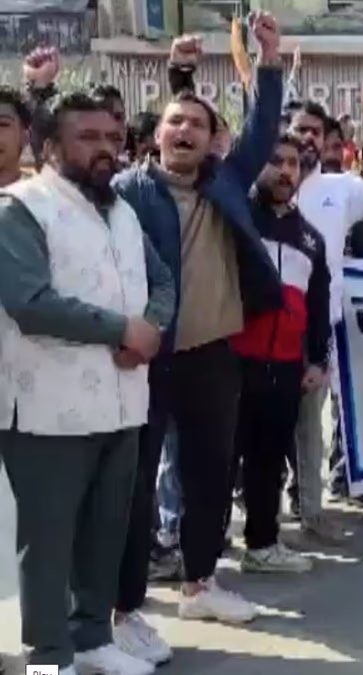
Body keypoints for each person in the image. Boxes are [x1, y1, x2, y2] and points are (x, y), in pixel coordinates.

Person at [113, 16, 285, 636]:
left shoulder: (228, 182)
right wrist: (176, 74)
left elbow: (265, 127)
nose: (184, 129)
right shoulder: (125, 191)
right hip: (147, 358)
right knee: (134, 484)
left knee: (211, 475)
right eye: (174, 121)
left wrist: (269, 58)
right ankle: (124, 607)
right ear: (155, 135)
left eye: (198, 124)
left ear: (216, 142)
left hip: (214, 355)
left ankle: (200, 583)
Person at [0, 89, 175, 675]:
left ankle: (94, 638)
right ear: (50, 146)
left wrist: (150, 327)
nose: (105, 148)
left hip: (124, 404)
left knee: (105, 532)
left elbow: (162, 279)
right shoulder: (19, 207)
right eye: (87, 138)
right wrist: (121, 330)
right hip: (49, 408)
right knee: (49, 543)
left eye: (111, 137)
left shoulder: (121, 209)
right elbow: (30, 302)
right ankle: (49, 658)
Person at [291, 86, 363, 539]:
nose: (305, 139)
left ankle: (312, 511)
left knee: (310, 426)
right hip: (264, 326)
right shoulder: (262, 183)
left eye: (314, 133)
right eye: (299, 129)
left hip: (321, 325)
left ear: (325, 141)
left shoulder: (338, 190)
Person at [232, 132, 331, 573]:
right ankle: (200, 551)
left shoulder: (309, 237)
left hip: (286, 367)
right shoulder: (235, 216)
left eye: (293, 163)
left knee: (268, 462)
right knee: (217, 461)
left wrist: (316, 360)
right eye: (276, 161)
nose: (286, 170)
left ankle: (262, 544)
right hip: (232, 362)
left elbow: (318, 303)